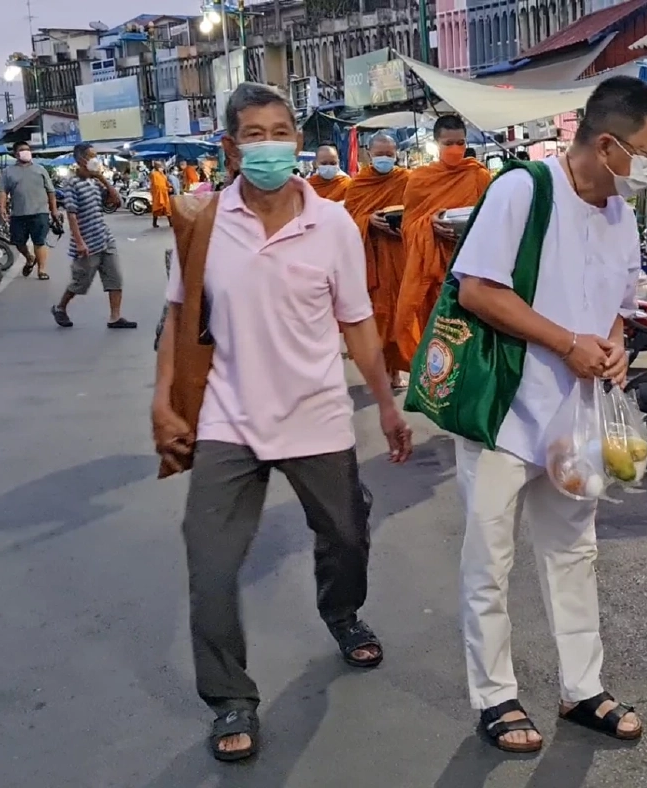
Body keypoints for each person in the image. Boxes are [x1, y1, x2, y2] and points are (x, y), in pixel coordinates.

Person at [150, 82, 415, 764]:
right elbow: (178, 317)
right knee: (208, 562)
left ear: (297, 139)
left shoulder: (331, 225)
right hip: (227, 418)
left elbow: (357, 321)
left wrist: (386, 402)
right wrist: (162, 400)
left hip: (316, 415)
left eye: (281, 130)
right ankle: (230, 696)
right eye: (255, 133)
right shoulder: (204, 222)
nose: (270, 144)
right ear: (231, 147)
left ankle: (340, 609)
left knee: (347, 536)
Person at [448, 75, 647, 753]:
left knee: (575, 551)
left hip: (575, 417)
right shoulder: (524, 190)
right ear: (608, 145)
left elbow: (617, 306)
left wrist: (611, 347)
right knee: (490, 557)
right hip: (505, 414)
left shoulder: (621, 214)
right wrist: (566, 342)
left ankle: (583, 687)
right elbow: (478, 290)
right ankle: (496, 697)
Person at [393, 115, 491, 368]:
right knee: (439, 338)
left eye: (460, 142)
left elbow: (493, 220)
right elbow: (408, 227)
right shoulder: (419, 180)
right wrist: (430, 225)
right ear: (436, 144)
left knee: (472, 338)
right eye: (449, 143)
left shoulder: (478, 175)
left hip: (471, 268)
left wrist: (467, 228)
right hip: (434, 269)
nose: (456, 149)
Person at [344, 133, 410, 387]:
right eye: (380, 154)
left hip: (399, 255)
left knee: (399, 314)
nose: (385, 158)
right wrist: (368, 221)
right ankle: (380, 370)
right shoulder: (358, 184)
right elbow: (347, 222)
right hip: (371, 259)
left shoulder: (407, 179)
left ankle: (395, 371)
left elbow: (417, 212)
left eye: (390, 154)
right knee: (377, 315)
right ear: (368, 154)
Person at [51, 142, 133, 330]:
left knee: (115, 278)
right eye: (92, 156)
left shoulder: (94, 182)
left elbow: (116, 202)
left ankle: (115, 317)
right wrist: (80, 242)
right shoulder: (72, 183)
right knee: (80, 282)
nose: (96, 160)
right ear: (81, 160)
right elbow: (71, 215)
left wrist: (103, 180)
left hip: (104, 237)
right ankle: (60, 307)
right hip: (87, 242)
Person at [0, 140, 57, 280]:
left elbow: (51, 191)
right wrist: (2, 208)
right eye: (22, 149)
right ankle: (29, 257)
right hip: (18, 214)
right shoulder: (8, 172)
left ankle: (42, 270)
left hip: (40, 212)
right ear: (15, 154)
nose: (26, 151)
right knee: (18, 242)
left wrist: (54, 210)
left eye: (28, 149)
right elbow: (2, 191)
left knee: (39, 242)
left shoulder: (40, 169)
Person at [149, 161, 173, 228]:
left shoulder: (162, 174)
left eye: (161, 166)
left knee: (167, 208)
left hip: (164, 194)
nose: (161, 168)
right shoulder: (154, 174)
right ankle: (154, 223)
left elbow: (166, 182)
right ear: (156, 167)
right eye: (159, 166)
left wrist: (169, 187)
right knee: (156, 209)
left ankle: (171, 223)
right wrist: (167, 188)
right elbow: (157, 185)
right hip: (158, 194)